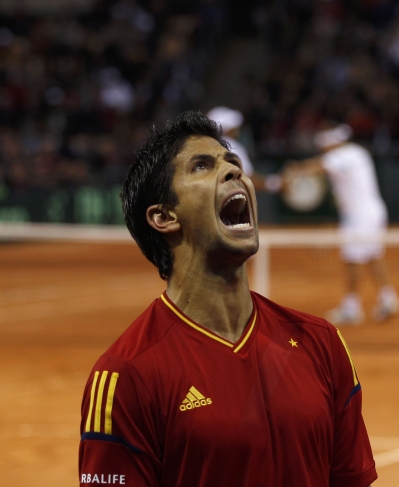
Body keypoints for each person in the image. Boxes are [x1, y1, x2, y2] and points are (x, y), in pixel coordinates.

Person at [78, 112, 377, 487]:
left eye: (233, 162)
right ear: (164, 216)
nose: (234, 171)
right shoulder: (126, 375)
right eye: (202, 166)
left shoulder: (323, 343)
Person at [287, 123, 399, 325]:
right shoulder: (357, 152)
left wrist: (296, 170)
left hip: (360, 218)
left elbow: (319, 166)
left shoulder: (343, 155)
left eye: (323, 143)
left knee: (352, 260)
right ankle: (389, 299)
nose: (321, 148)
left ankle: (351, 308)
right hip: (371, 213)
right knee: (373, 255)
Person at [206, 106, 282, 193]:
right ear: (227, 129)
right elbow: (246, 180)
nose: (237, 130)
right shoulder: (231, 146)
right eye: (233, 127)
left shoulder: (203, 147)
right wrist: (277, 183)